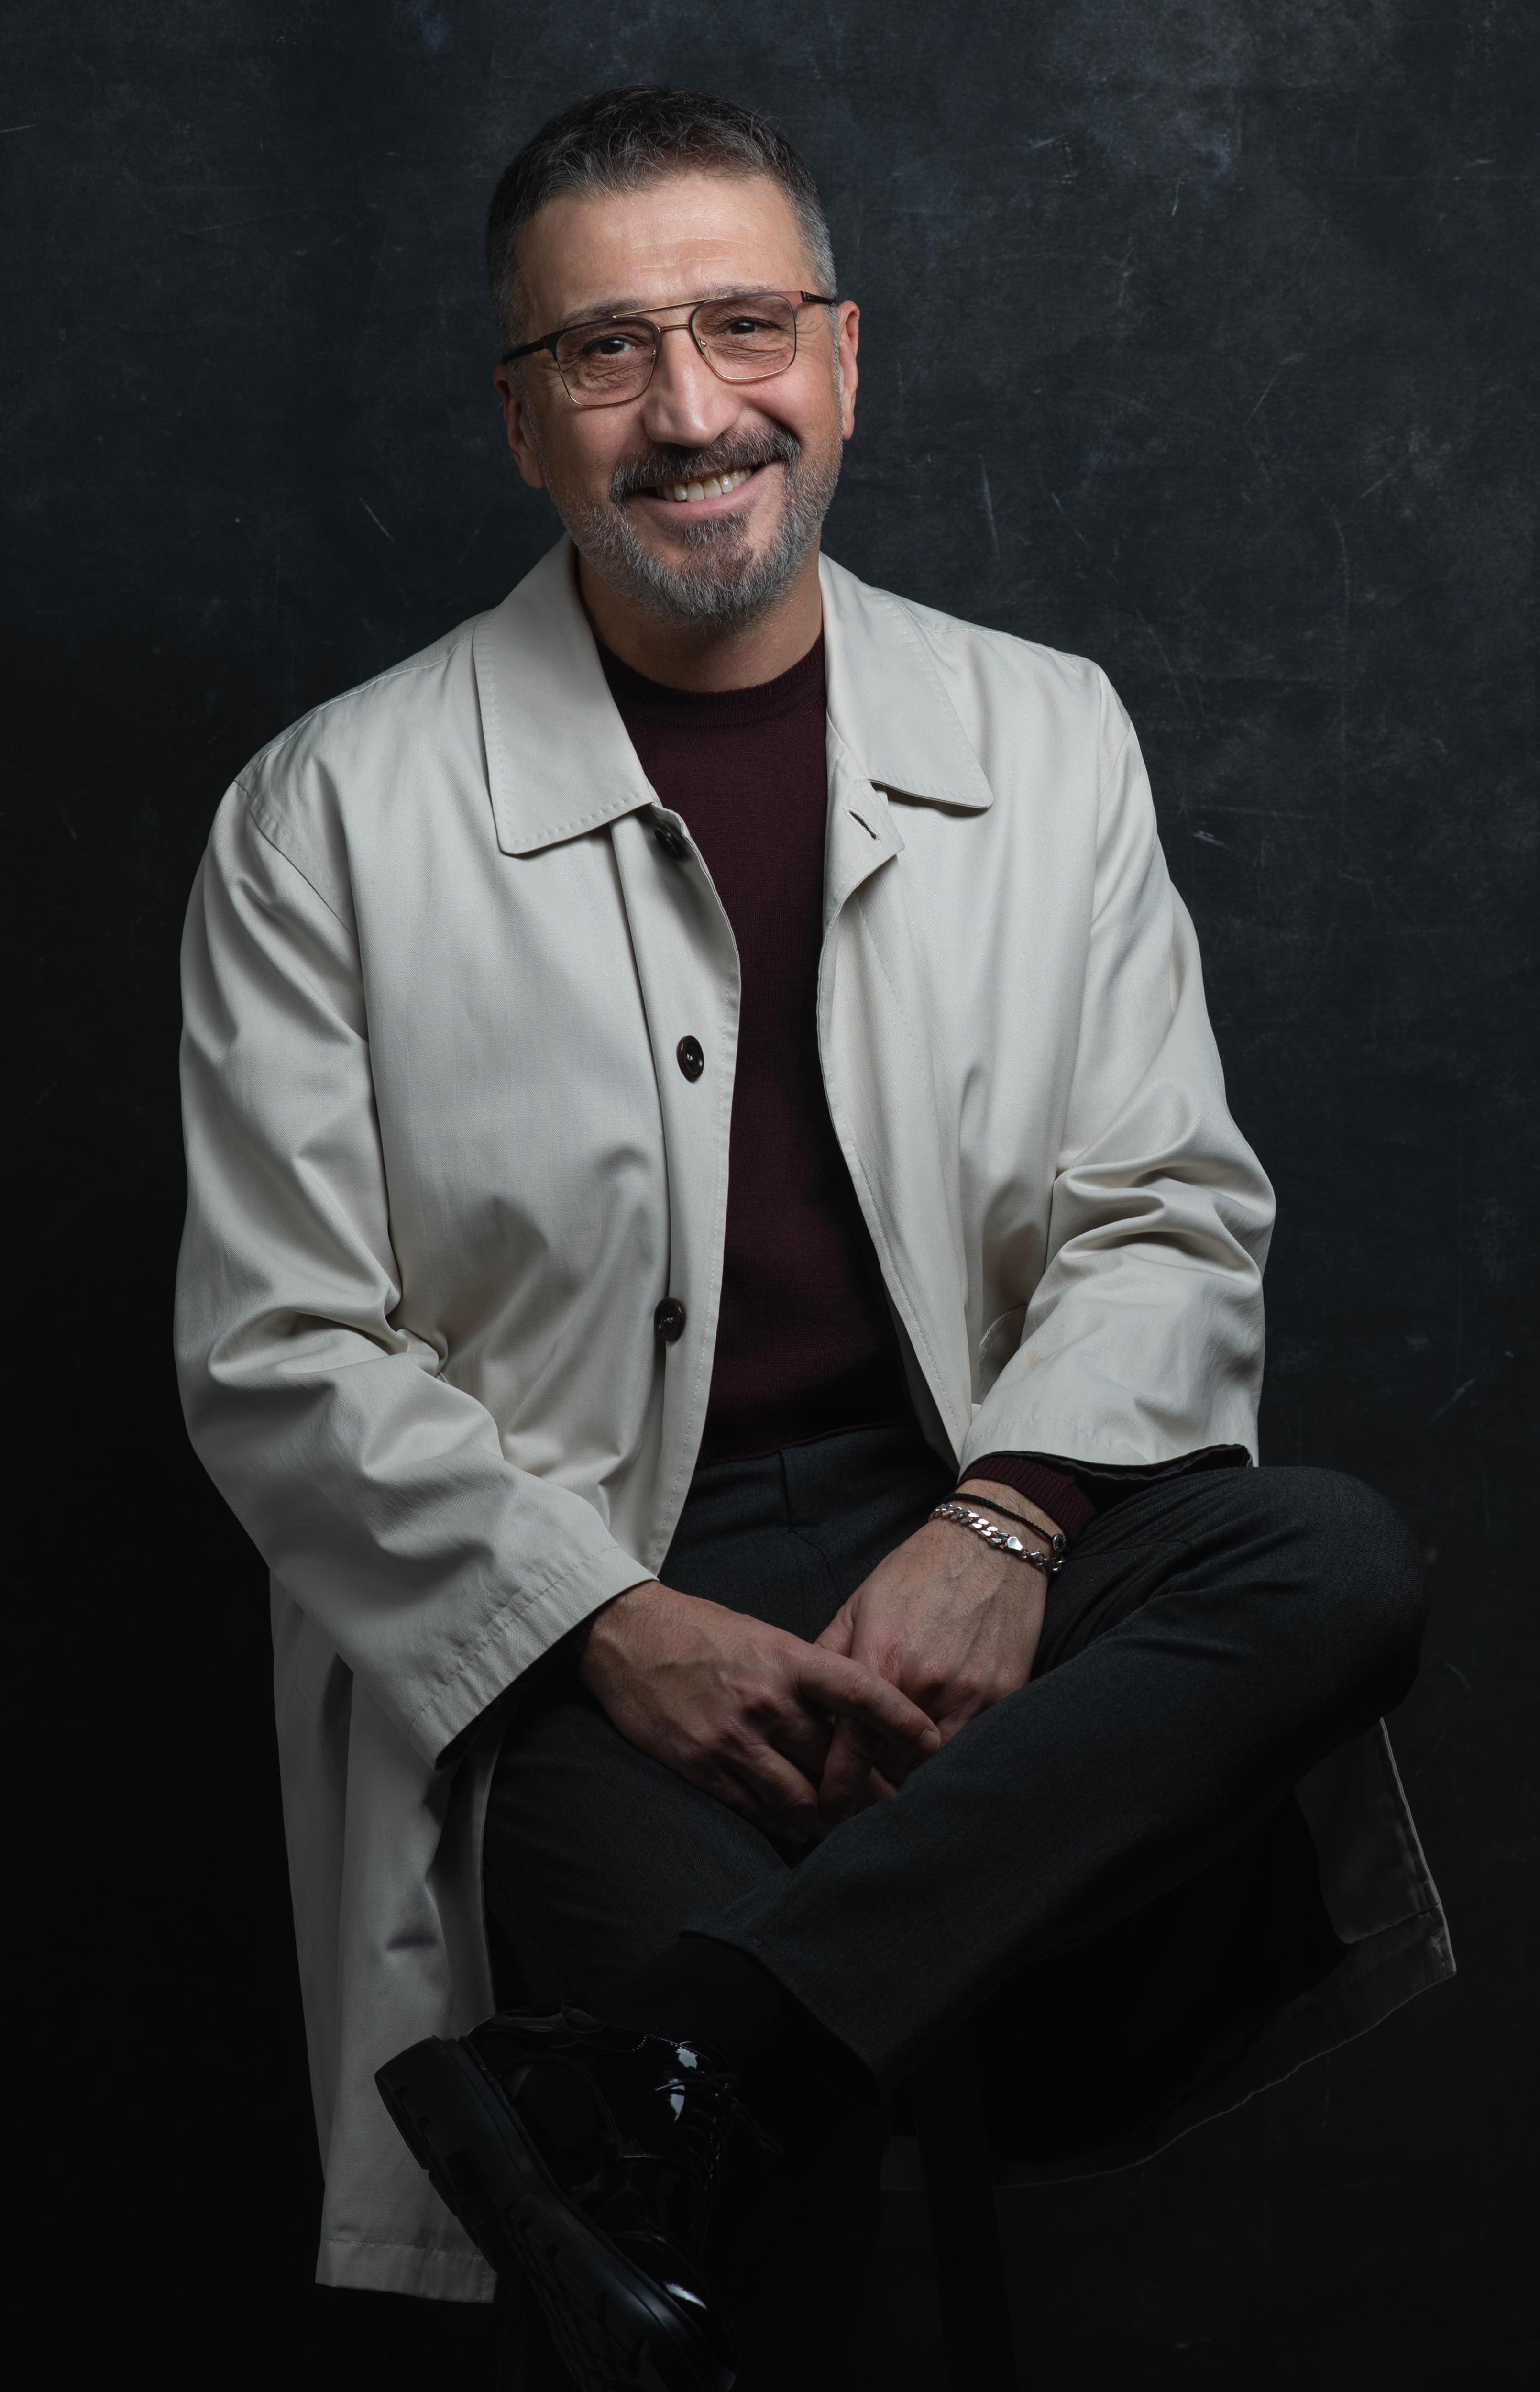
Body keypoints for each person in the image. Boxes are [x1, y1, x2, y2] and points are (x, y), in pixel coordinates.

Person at [176, 84, 1451, 2392]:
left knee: (1330, 1559)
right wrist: (609, 1623)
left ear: (842, 362)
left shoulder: (1047, 733)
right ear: (521, 420)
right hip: (592, 1591)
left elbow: (1169, 1204)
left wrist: (1009, 1516)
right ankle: (728, 2054)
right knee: (771, 2247)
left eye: (745, 326)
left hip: (978, 1518)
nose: (692, 411)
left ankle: (678, 2053)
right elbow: (284, 1347)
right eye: (607, 351)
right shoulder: (325, 813)